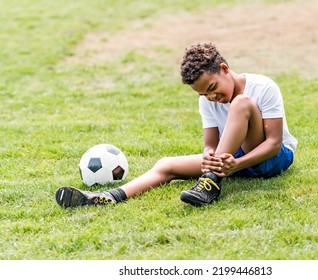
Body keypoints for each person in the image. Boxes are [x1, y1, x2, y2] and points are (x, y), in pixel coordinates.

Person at [55, 42, 298, 208]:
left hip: (271, 158)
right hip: (229, 163)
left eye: (212, 88)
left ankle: (210, 182)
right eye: (204, 94)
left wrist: (236, 164)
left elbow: (275, 143)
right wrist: (209, 157)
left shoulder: (263, 86)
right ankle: (106, 197)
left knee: (241, 103)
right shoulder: (207, 100)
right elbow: (210, 144)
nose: (211, 97)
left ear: (224, 69)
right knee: (166, 164)